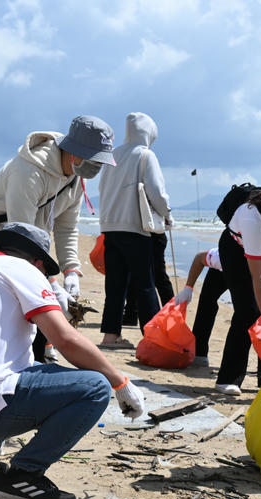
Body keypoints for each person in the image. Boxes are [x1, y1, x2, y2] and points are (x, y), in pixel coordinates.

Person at [0, 224, 147, 499]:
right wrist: (119, 382)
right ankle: (23, 475)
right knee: (94, 387)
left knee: (20, 368)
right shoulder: (21, 270)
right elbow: (65, 340)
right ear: (37, 262)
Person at [0, 115, 115, 361]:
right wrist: (52, 283)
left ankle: (38, 361)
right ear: (73, 152)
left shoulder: (75, 179)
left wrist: (71, 269)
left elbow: (66, 227)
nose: (95, 167)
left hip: (23, 247)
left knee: (36, 311)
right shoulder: (29, 170)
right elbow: (20, 232)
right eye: (92, 159)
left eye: (100, 162)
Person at [96, 112, 171, 348]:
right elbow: (156, 193)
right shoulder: (145, 155)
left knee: (115, 285)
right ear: (149, 132)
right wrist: (167, 213)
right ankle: (152, 339)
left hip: (110, 226)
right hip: (135, 228)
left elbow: (102, 187)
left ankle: (110, 336)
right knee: (145, 283)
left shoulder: (113, 155)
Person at [206, 184, 261, 394]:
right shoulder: (252, 219)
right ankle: (227, 379)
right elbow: (258, 277)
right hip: (236, 251)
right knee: (248, 311)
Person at [181, 246, 225, 366]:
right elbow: (199, 258)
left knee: (247, 313)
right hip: (230, 258)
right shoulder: (220, 257)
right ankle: (199, 352)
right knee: (207, 300)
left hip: (257, 264)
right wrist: (188, 288)